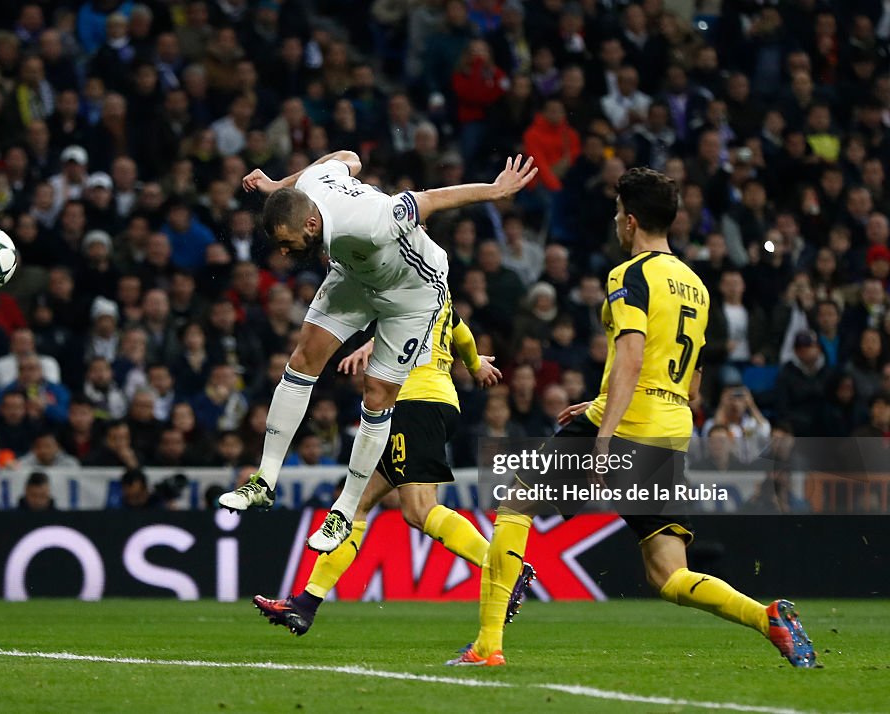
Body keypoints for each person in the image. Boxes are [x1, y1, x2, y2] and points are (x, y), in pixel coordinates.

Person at [448, 167, 816, 668]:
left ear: (632, 220)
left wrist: (602, 433)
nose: (617, 219)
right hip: (669, 426)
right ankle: (767, 617)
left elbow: (632, 356)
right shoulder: (697, 286)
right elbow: (692, 380)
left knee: (515, 501)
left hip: (627, 423)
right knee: (669, 575)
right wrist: (601, 403)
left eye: (619, 211)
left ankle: (488, 646)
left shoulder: (631, 274)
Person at [218, 149, 538, 554]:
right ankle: (264, 480)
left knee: (376, 394)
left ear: (312, 223)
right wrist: (279, 185)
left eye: (287, 243)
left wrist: (494, 190)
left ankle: (344, 511)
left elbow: (430, 199)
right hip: (356, 276)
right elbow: (348, 157)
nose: (284, 252)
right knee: (301, 361)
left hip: (412, 293)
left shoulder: (374, 220)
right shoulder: (310, 186)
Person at [254, 300, 534, 635]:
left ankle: (507, 570)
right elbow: (462, 334)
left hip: (415, 403)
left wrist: (368, 346)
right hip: (431, 403)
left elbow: (404, 326)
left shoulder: (410, 287)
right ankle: (305, 604)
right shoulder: (438, 294)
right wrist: (474, 365)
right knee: (354, 503)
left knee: (418, 510)